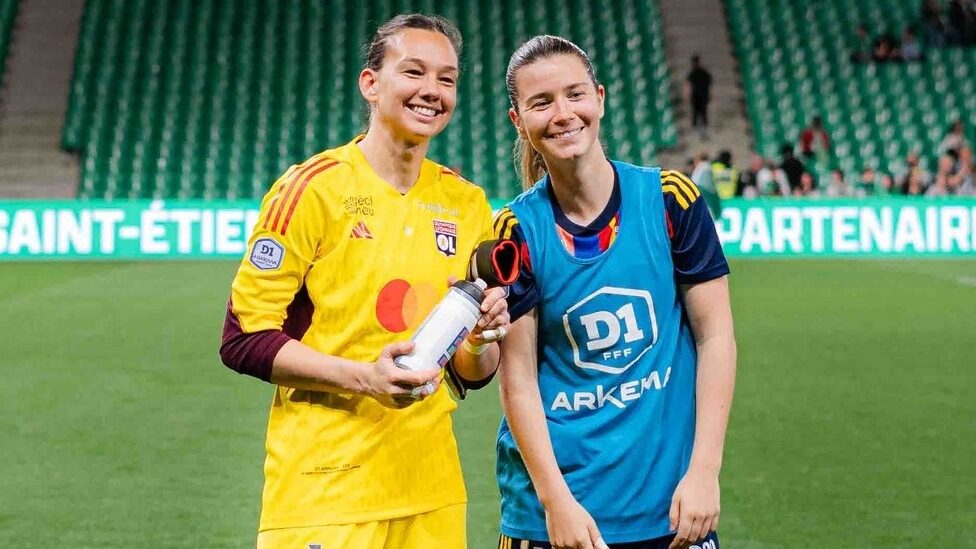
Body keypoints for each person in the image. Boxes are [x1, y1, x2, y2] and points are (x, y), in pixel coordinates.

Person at [219, 14, 509, 548]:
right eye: (414, 72)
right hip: (324, 492)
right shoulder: (312, 190)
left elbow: (471, 374)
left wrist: (484, 335)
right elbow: (242, 339)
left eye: (447, 79)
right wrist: (363, 378)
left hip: (430, 492)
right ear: (370, 84)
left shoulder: (467, 205)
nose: (431, 91)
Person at [494, 35, 736, 549]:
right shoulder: (515, 230)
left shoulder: (671, 199)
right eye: (541, 102)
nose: (563, 114)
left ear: (599, 98)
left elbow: (716, 338)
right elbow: (517, 382)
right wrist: (555, 504)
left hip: (670, 510)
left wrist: (705, 471)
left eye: (574, 94)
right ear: (519, 121)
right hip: (558, 515)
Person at [685, 54, 713, 139]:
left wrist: (687, 95)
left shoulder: (701, 73)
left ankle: (701, 130)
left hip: (699, 96)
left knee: (700, 113)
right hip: (699, 96)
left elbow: (688, 86)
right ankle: (700, 130)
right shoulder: (696, 73)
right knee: (700, 113)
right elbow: (688, 85)